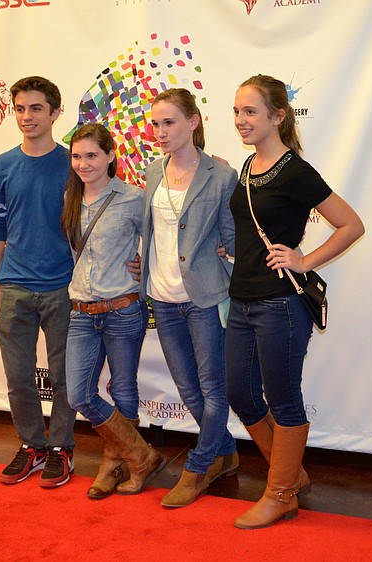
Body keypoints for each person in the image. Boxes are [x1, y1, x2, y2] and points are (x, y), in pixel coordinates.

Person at [227, 74, 365, 529]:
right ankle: (290, 475)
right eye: (237, 111)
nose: (241, 120)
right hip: (241, 299)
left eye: (250, 111)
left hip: (280, 305)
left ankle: (280, 493)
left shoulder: (296, 171)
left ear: (278, 116)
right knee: (240, 393)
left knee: (284, 400)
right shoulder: (248, 166)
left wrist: (304, 261)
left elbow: (351, 225)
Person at [140, 88, 239, 508]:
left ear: (193, 122)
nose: (160, 132)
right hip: (161, 298)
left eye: (169, 122)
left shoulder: (221, 175)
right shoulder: (151, 172)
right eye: (156, 124)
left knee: (213, 387)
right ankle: (225, 452)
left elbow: (232, 237)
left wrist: (228, 254)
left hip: (205, 297)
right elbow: (149, 231)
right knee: (188, 387)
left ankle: (198, 466)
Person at [62, 123, 166, 499]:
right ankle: (141, 455)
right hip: (80, 310)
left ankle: (113, 464)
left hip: (123, 308)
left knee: (123, 388)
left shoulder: (133, 197)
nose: (83, 164)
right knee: (79, 395)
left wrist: (143, 264)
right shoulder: (70, 198)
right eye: (77, 156)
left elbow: (161, 242)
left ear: (110, 156)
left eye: (92, 155)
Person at [0, 76, 77, 487]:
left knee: (64, 376)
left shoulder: (74, 163)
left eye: (36, 108)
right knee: (18, 377)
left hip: (62, 286)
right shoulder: (1, 165)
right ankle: (32, 446)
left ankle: (62, 448)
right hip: (14, 287)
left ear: (55, 113)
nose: (27, 116)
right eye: (20, 108)